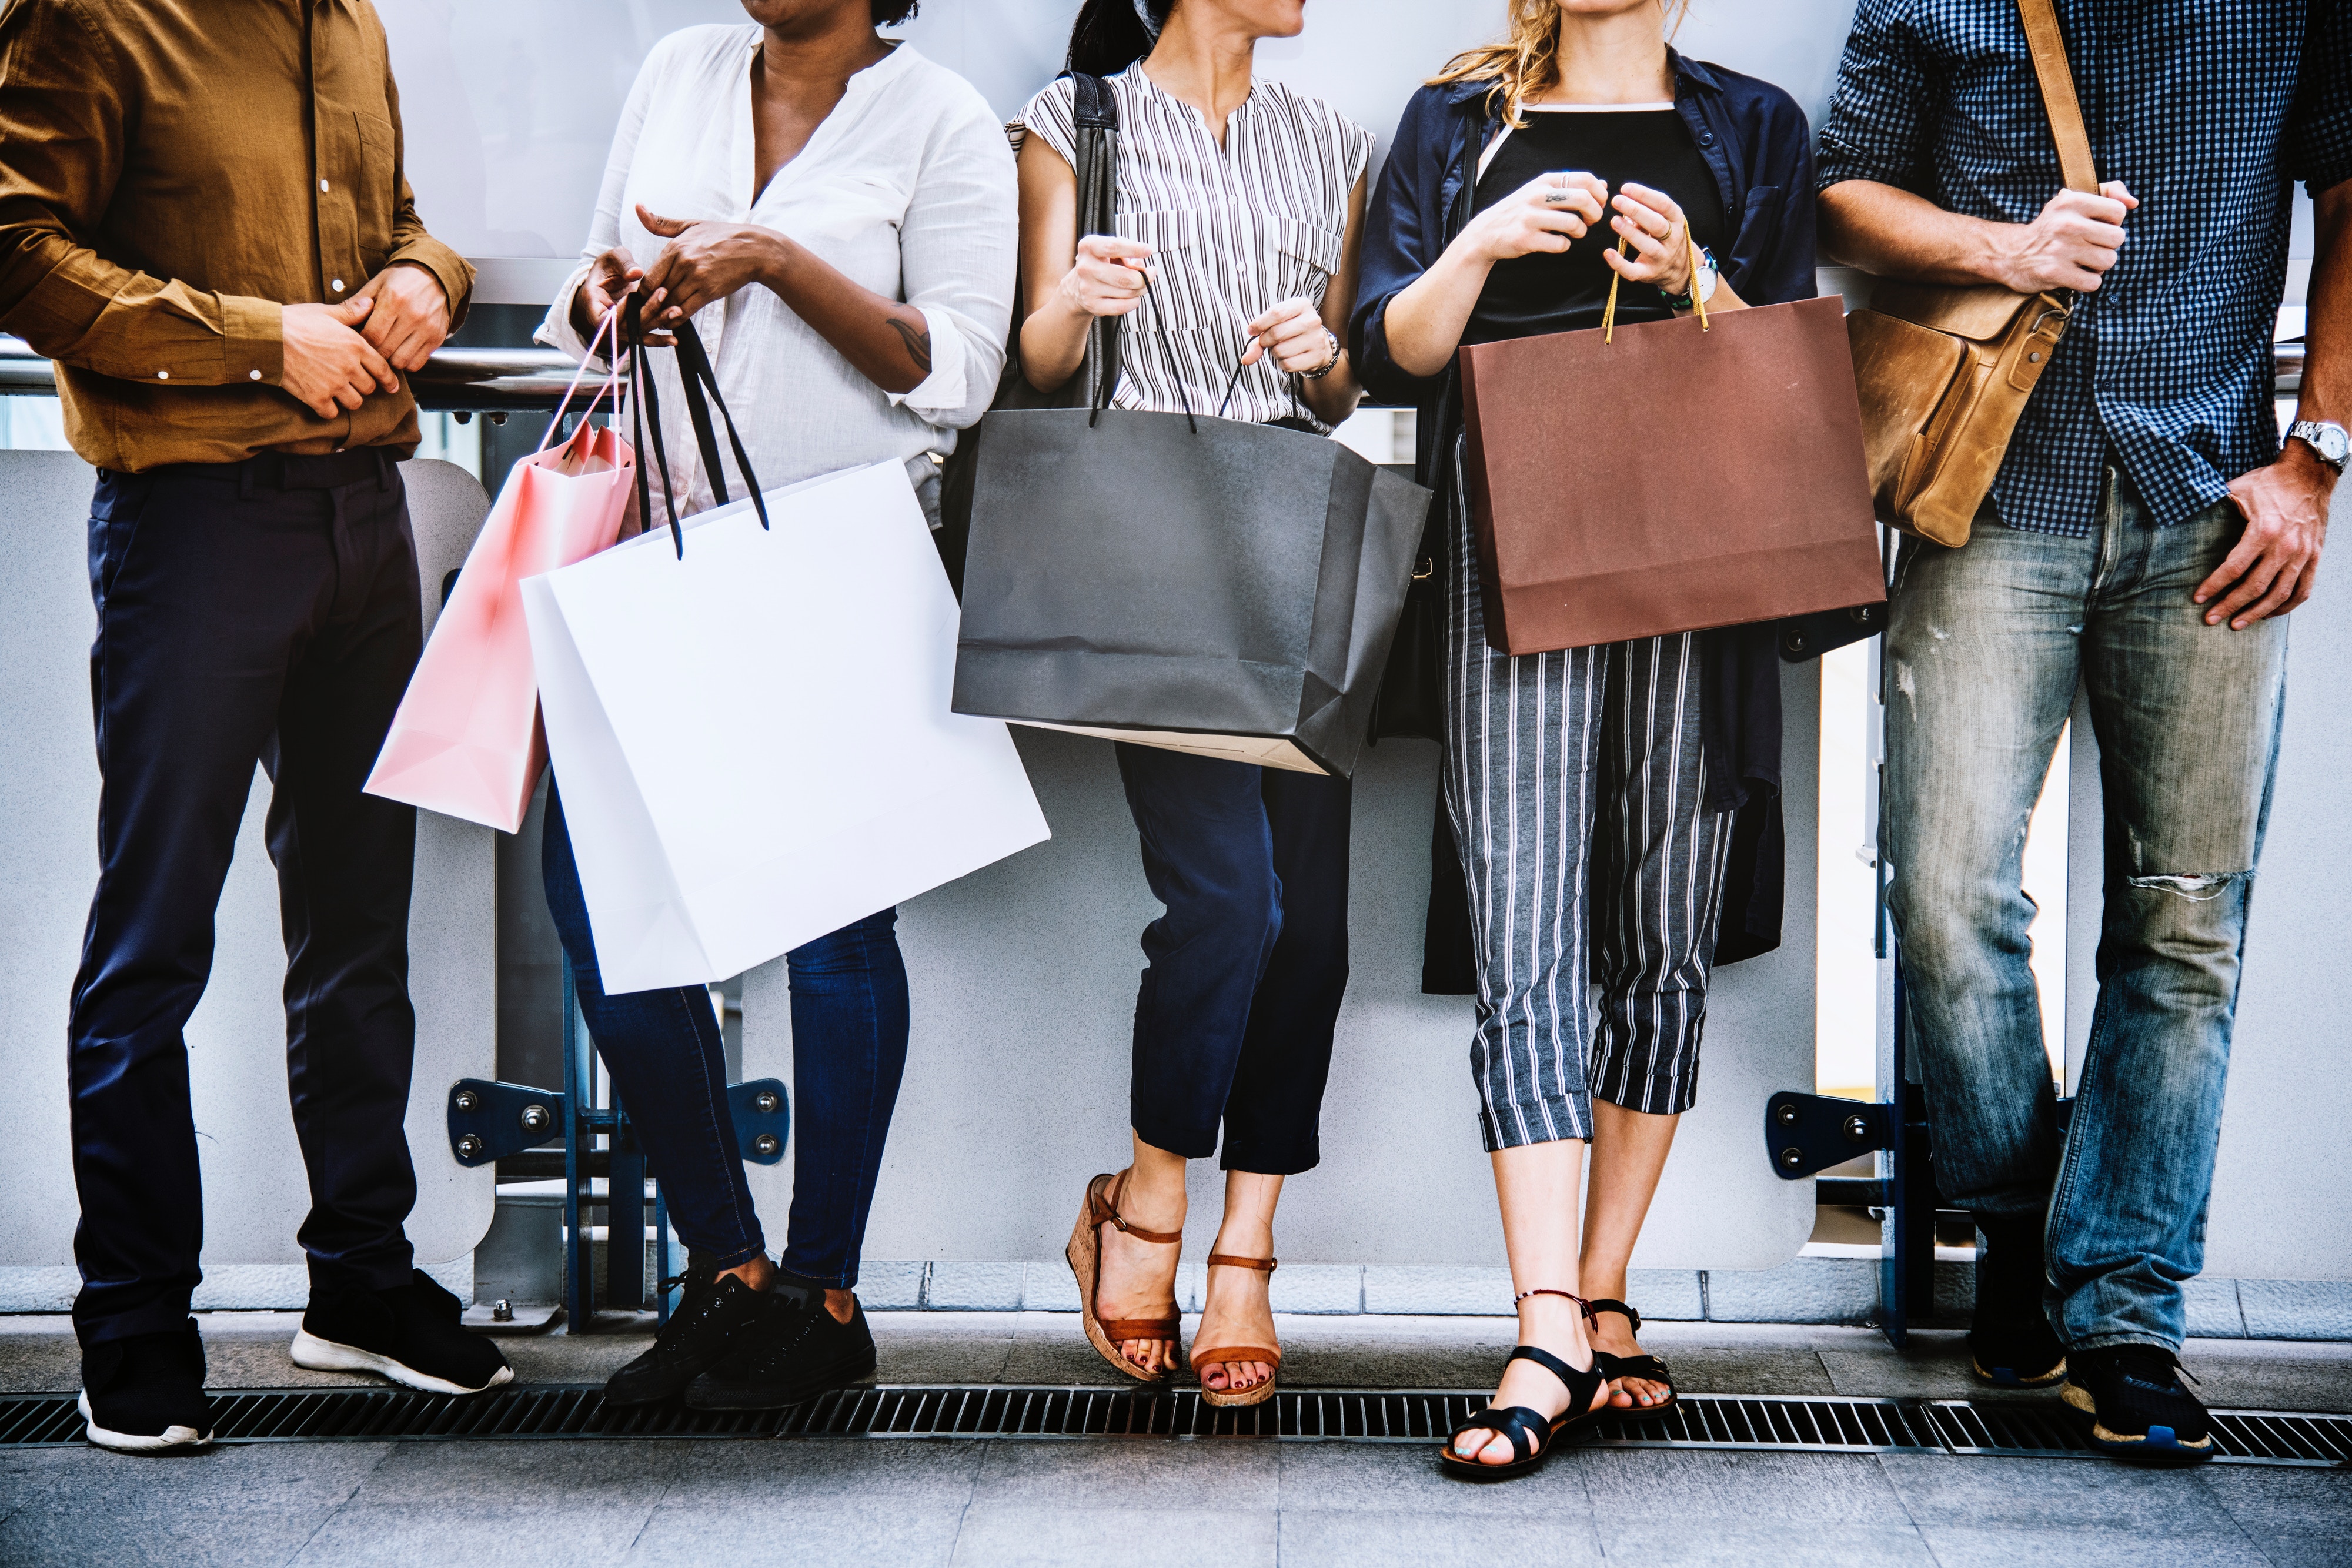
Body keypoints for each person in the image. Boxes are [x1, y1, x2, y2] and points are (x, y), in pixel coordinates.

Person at [1816, 0, 2347, 1463]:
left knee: (2183, 919)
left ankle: (2119, 1311)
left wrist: (2316, 456)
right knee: (1942, 893)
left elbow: (2348, 182)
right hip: (1988, 488)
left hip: (2214, 491)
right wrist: (2002, 246)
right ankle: (2019, 1227)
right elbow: (1839, 185)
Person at [0, 0, 509, 1453]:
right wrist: (251, 340)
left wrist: (427, 277)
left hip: (366, 525)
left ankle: (359, 1279)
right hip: (193, 532)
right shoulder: (91, 15)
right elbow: (13, 248)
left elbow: (405, 226)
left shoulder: (348, 22)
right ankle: (133, 1324)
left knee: (358, 928)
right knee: (152, 936)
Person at [1352, 0, 1816, 1475]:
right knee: (1527, 921)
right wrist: (1480, 246)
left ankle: (1603, 1287)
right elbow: (1386, 354)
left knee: (1663, 923)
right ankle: (1543, 1318)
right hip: (1510, 543)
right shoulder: (1456, 121)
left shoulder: (1749, 126)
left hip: (1698, 550)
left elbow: (1792, 362)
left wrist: (1694, 273)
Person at [532, 0, 1015, 1410]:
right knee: (602, 903)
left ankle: (822, 1291)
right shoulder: (680, 67)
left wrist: (769, 259)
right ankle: (727, 1271)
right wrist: (608, 294)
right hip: (654, 551)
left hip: (841, 559)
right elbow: (582, 274)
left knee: (830, 928)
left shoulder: (938, 120)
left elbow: (959, 370)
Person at [1016, 0, 1371, 1406]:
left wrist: (1314, 354)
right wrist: (1075, 304)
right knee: (1231, 903)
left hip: (1290, 542)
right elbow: (1039, 365)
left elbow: (1344, 388)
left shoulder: (1330, 137)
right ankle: (1147, 1189)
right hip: (1145, 547)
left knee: (1317, 926)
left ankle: (1246, 1247)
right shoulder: (1070, 123)